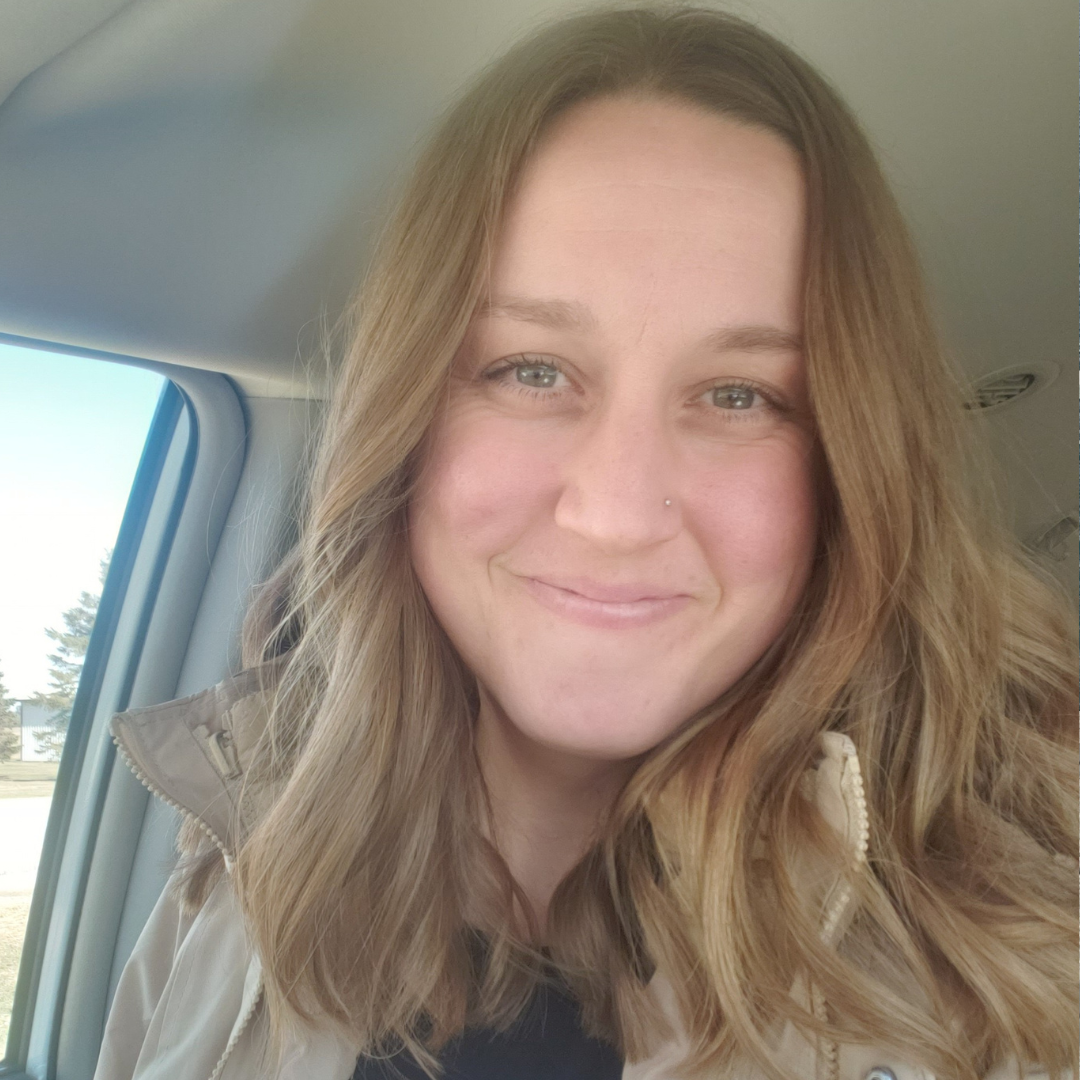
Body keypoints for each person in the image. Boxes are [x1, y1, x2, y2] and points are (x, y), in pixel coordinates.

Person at [93, 6, 1078, 1080]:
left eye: (739, 395)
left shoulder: (1020, 984)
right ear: (406, 416)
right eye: (531, 371)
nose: (615, 511)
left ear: (852, 465)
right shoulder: (237, 880)